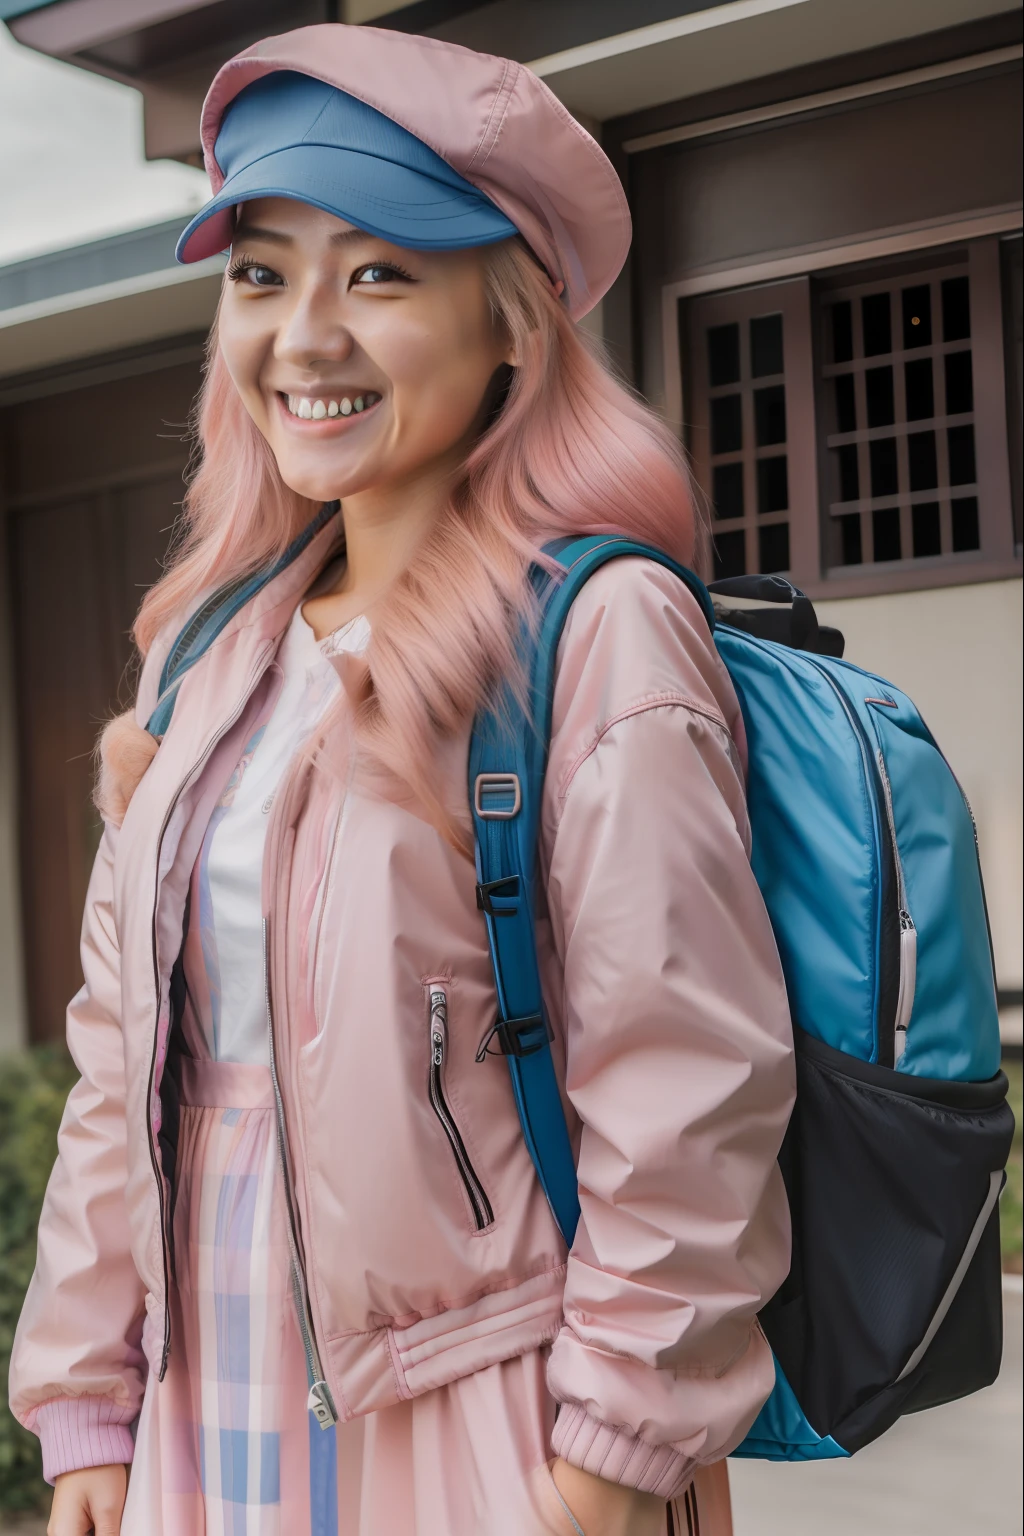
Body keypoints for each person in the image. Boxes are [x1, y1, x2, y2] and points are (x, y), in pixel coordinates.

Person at [9, 24, 795, 1536]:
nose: (303, 336)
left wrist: (613, 1455)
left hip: (485, 1403)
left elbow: (684, 1080)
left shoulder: (593, 632)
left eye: (377, 273)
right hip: (205, 1380)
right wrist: (85, 1399)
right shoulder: (205, 656)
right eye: (261, 272)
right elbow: (122, 1069)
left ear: (510, 321)